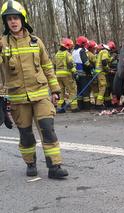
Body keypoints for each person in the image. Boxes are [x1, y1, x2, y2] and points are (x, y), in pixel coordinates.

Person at [0, 0, 68, 179]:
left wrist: (55, 90)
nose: (13, 22)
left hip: (41, 94)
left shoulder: (36, 42)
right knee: (26, 134)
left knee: (47, 128)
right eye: (9, 19)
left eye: (16, 18)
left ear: (23, 19)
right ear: (5, 23)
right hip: (17, 98)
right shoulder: (2, 44)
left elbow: (47, 67)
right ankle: (30, 162)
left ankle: (55, 166)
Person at [54, 38, 79, 113]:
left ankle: (60, 107)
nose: (71, 47)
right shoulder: (67, 53)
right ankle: (74, 107)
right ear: (67, 46)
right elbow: (70, 64)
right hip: (67, 75)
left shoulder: (57, 54)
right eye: (71, 46)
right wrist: (74, 72)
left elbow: (54, 64)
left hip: (58, 75)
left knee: (61, 91)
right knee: (72, 90)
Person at [72, 36, 92, 110]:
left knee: (79, 90)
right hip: (83, 73)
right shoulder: (82, 51)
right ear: (82, 44)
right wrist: (91, 68)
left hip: (76, 74)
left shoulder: (74, 51)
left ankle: (80, 106)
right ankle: (87, 107)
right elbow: (86, 62)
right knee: (85, 90)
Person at [94, 42, 115, 109]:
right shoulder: (105, 51)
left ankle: (107, 102)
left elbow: (107, 60)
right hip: (101, 72)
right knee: (103, 87)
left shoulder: (101, 52)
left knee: (106, 87)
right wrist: (109, 70)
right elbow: (104, 62)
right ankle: (98, 104)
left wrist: (113, 58)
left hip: (101, 72)